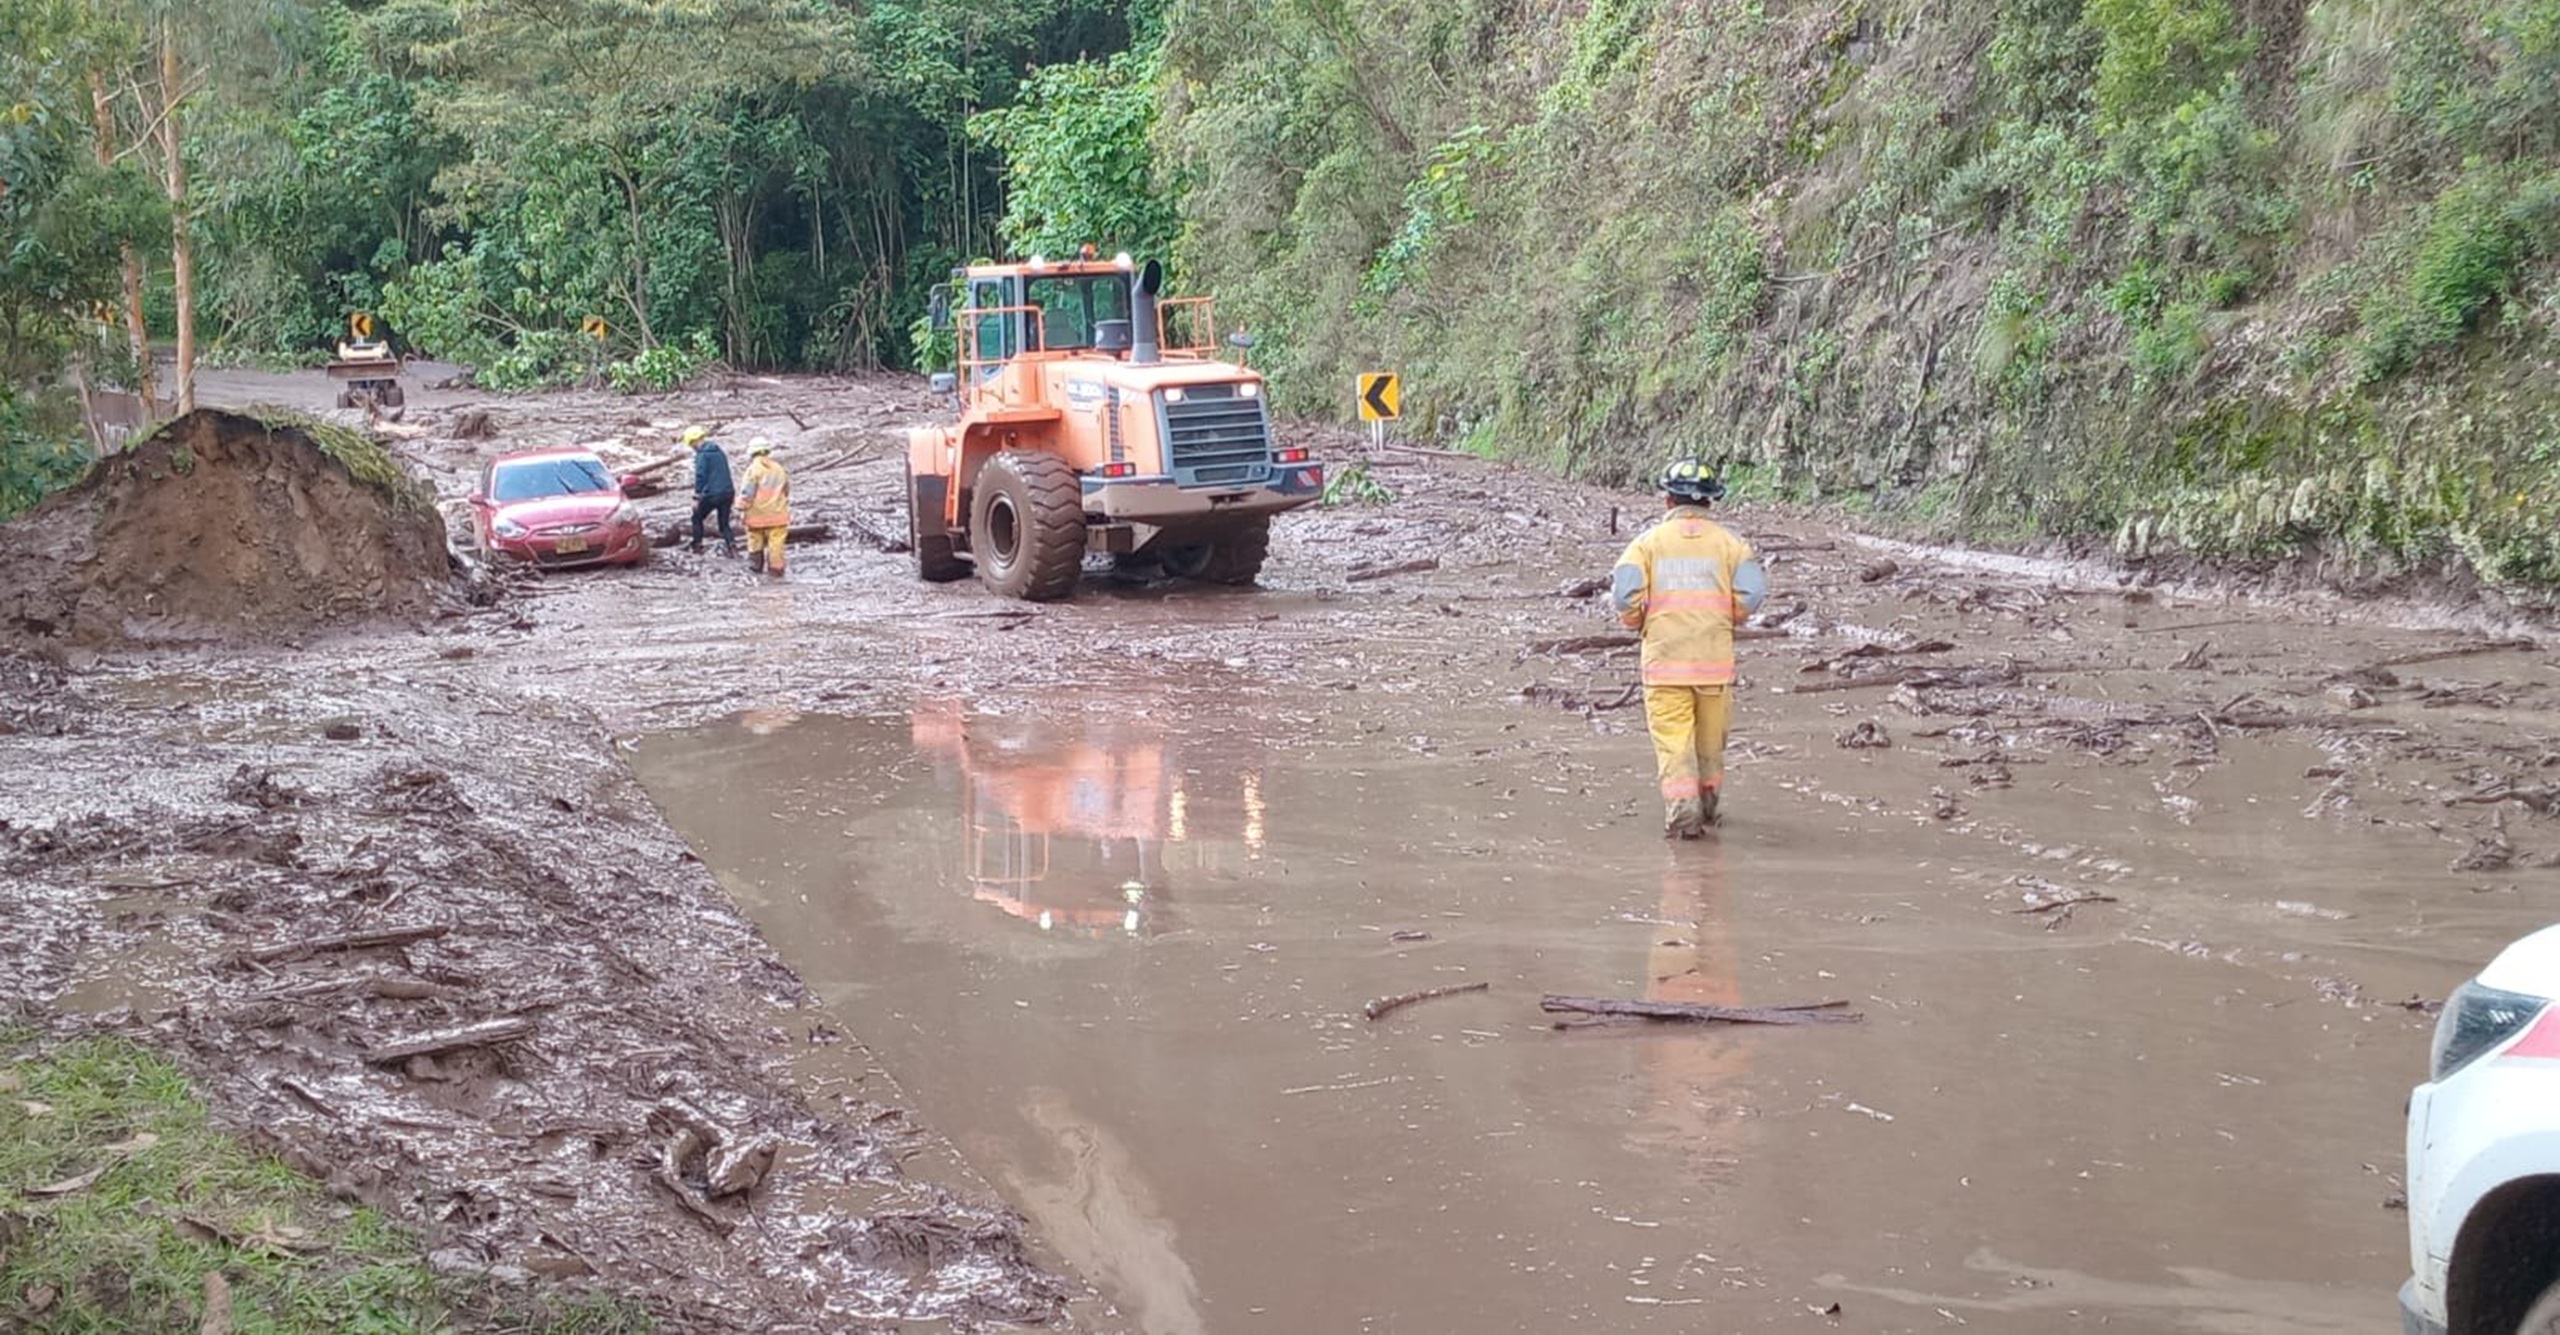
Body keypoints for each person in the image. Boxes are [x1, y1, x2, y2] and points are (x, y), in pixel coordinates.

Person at [1611, 459, 1768, 839]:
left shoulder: (1645, 545)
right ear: (1711, 502)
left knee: (1674, 740)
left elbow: (1624, 595)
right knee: (1711, 741)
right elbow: (1753, 593)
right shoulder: (1733, 545)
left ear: (1668, 500)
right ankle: (1709, 805)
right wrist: (1727, 618)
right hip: (1714, 663)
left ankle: (1684, 812)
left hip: (1665, 665)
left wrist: (1638, 623)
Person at [739, 438, 790, 577]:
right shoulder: (779, 468)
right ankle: (776, 572)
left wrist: (741, 507)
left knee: (755, 540)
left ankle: (756, 568)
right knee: (776, 545)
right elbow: (786, 490)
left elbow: (747, 493)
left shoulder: (752, 470)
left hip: (756, 515)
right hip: (778, 515)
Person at [685, 426, 736, 555]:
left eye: (691, 444)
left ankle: (697, 545)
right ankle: (732, 546)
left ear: (694, 441)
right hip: (728, 492)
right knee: (724, 524)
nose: (692, 448)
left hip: (713, 494)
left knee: (697, 517)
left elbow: (700, 476)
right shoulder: (719, 452)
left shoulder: (702, 455)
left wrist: (697, 497)